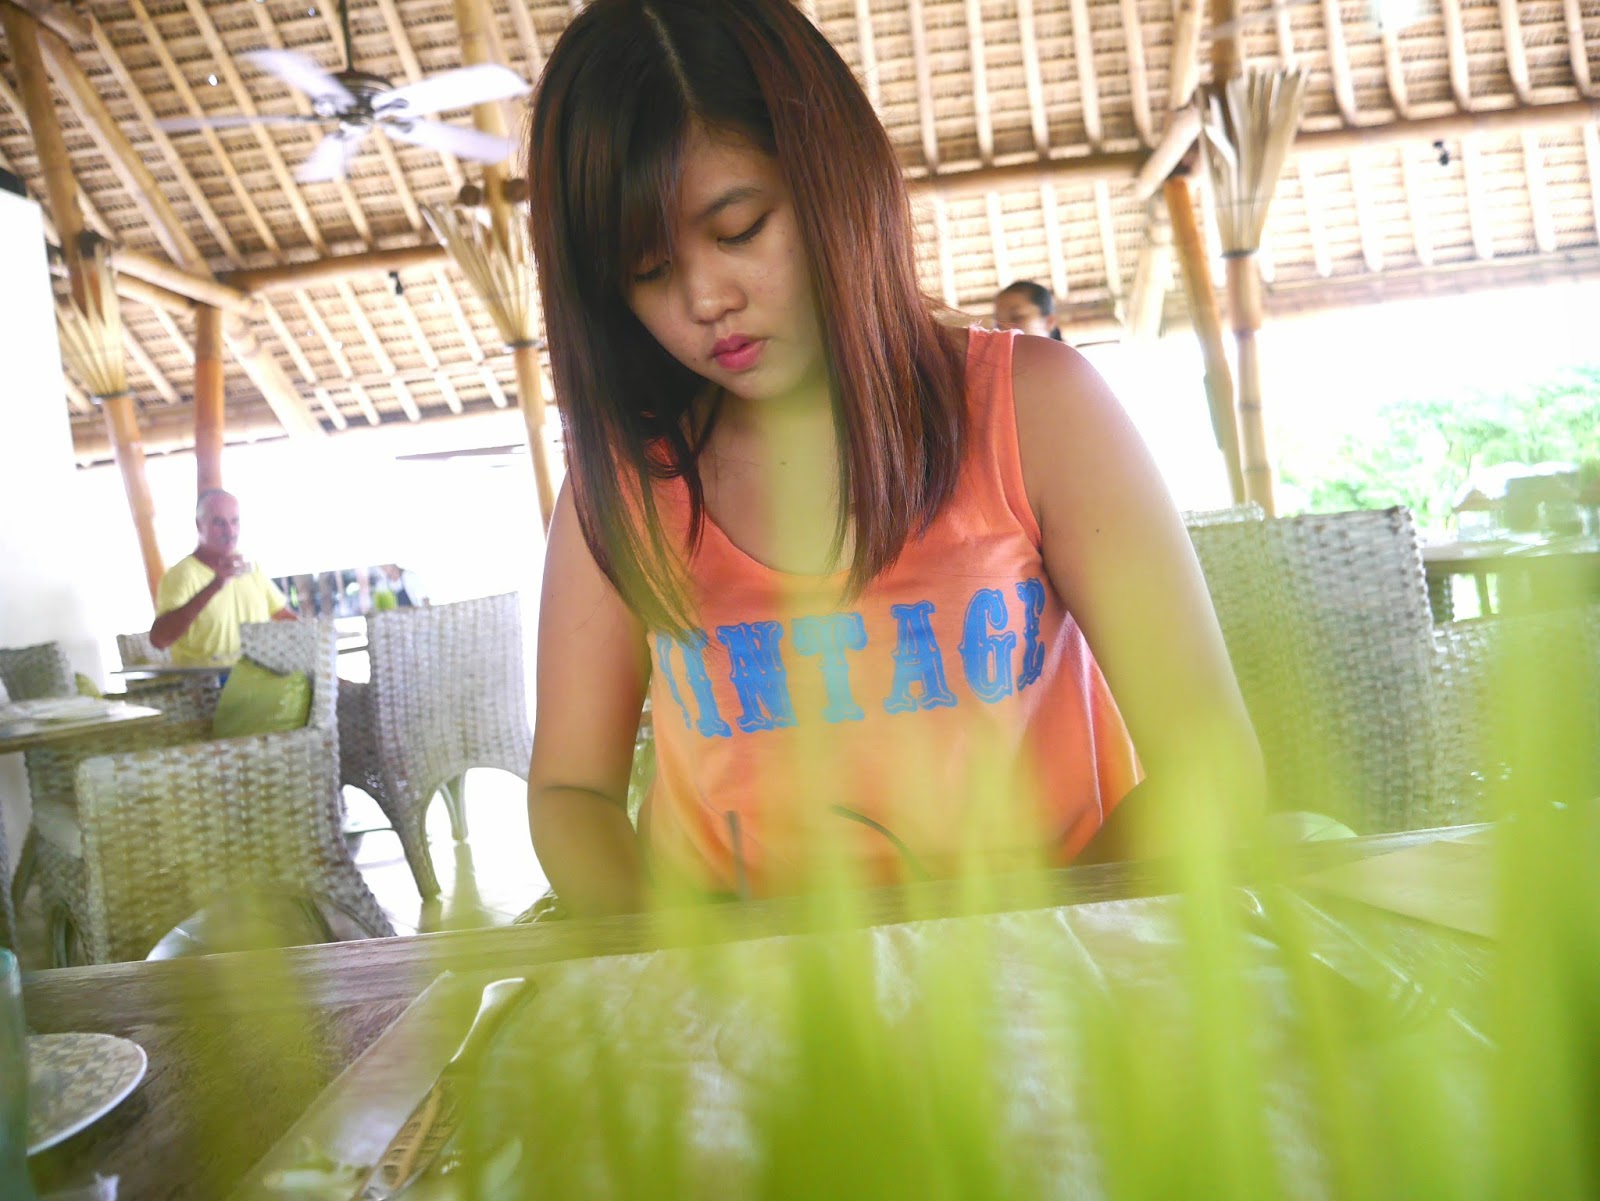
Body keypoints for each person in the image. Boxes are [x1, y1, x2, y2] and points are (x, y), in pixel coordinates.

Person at [525, 0, 1263, 916]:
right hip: (737, 989)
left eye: (740, 228)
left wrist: (1041, 949)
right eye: (647, 269)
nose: (705, 298)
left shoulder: (1035, 411)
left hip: (1050, 965)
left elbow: (1211, 762)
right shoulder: (629, 488)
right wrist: (683, 959)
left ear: (834, 181)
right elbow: (572, 793)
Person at [150, 489, 296, 666]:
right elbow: (160, 639)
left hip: (256, 677)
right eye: (219, 523)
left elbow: (282, 615)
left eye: (235, 521)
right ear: (199, 525)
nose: (230, 531)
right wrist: (216, 584)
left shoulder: (250, 567)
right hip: (206, 682)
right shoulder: (181, 575)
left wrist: (318, 639)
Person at [993, 279, 1064, 340]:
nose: (1005, 330)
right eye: (999, 325)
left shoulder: (1066, 352)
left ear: (1049, 322)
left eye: (1016, 318)